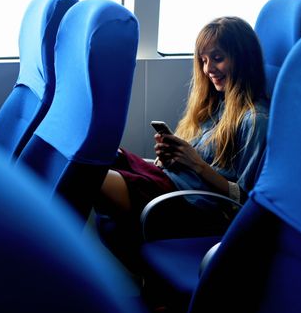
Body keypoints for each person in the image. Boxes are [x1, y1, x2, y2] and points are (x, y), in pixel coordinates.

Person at [96, 16, 269, 228]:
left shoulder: (255, 120)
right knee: (97, 156)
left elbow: (244, 201)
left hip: (191, 202)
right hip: (168, 180)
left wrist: (196, 164)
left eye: (217, 58)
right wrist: (171, 157)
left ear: (243, 59)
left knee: (89, 178)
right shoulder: (214, 105)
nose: (208, 69)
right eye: (204, 61)